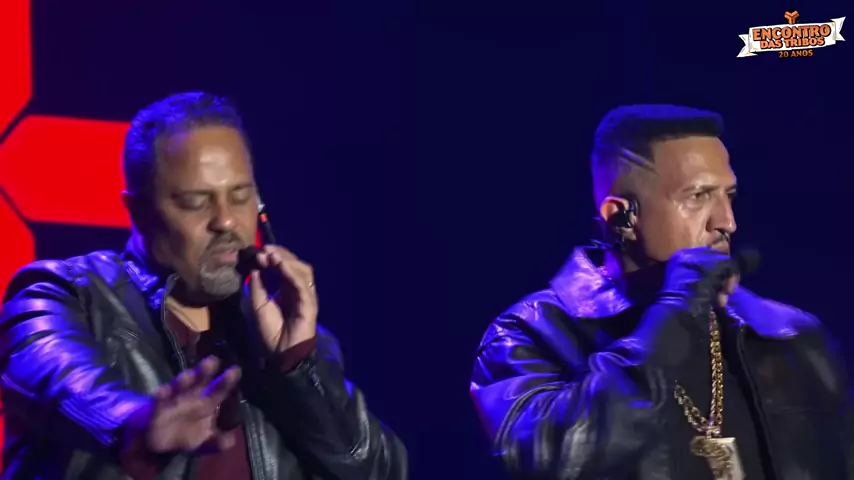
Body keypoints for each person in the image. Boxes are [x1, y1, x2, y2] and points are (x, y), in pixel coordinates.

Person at [0, 92, 407, 479]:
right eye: (196, 202)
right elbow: (56, 373)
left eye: (241, 197)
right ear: (137, 211)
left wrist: (298, 368)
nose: (226, 221)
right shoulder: (63, 294)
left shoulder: (290, 338)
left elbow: (378, 471)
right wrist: (134, 425)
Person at [469, 104, 853, 479]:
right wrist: (674, 314)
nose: (727, 222)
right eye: (698, 196)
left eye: (729, 196)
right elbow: (556, 459)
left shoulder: (788, 334)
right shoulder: (531, 333)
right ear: (622, 218)